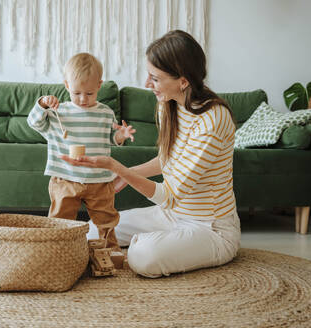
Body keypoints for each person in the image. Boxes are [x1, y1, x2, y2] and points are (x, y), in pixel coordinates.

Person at [62, 30, 241, 278]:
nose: (147, 84)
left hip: (210, 228)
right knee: (91, 232)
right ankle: (166, 241)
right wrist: (129, 174)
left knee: (142, 257)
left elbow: (170, 195)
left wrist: (119, 168)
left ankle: (158, 244)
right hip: (169, 215)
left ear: (183, 81)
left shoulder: (213, 119)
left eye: (155, 78)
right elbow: (168, 161)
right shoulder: (167, 105)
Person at [27, 52, 136, 251]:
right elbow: (34, 122)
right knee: (60, 221)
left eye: (89, 93)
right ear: (67, 85)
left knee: (107, 221)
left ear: (98, 86)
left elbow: (110, 139)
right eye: (77, 93)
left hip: (99, 181)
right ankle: (56, 253)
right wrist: (43, 103)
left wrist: (122, 135)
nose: (83, 99)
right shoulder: (59, 112)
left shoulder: (105, 113)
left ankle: (111, 253)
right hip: (65, 179)